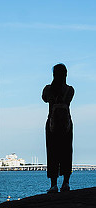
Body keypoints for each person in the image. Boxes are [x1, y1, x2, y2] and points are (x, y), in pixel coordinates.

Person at [42, 64, 74, 193]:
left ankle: (53, 184)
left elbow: (44, 98)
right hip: (66, 124)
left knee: (52, 153)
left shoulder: (48, 89)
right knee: (67, 152)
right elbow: (68, 100)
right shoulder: (70, 90)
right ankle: (66, 182)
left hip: (52, 124)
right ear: (66, 74)